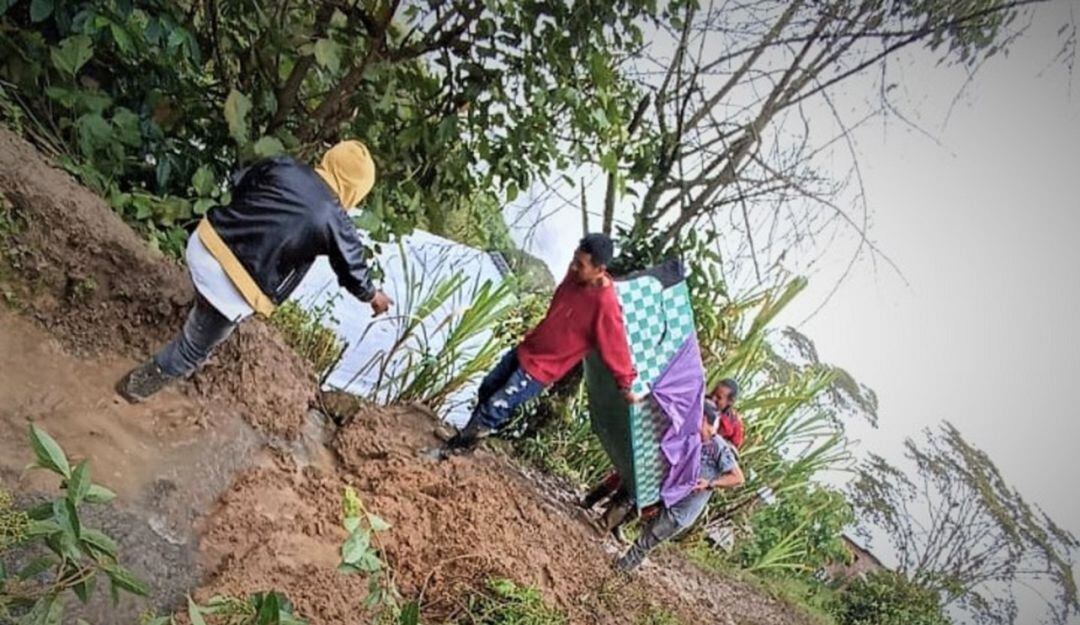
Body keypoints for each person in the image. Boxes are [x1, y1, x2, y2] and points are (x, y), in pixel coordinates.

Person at [118, 141, 393, 402]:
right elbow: (354, 271)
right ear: (356, 191)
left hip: (204, 245)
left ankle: (198, 306)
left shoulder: (285, 166)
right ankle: (132, 389)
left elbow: (241, 182)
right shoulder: (336, 221)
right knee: (192, 351)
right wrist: (374, 296)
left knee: (208, 295)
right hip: (233, 291)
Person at [443, 233, 637, 453]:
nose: (573, 267)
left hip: (542, 367)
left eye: (580, 265)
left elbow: (615, 346)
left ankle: (456, 449)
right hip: (529, 347)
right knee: (489, 386)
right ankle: (468, 437)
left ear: (599, 270)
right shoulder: (576, 276)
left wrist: (625, 384)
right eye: (574, 259)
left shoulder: (606, 305)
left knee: (498, 404)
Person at [614, 406, 745, 572]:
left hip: (682, 510)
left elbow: (738, 478)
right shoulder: (697, 440)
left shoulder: (718, 446)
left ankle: (621, 569)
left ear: (703, 419)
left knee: (648, 539)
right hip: (672, 498)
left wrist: (710, 483)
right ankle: (622, 565)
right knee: (646, 530)